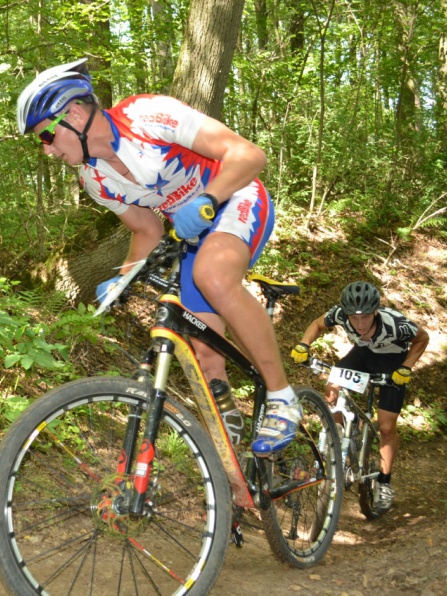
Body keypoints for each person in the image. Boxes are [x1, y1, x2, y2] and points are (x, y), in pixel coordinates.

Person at [15, 57, 300, 456]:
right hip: (191, 230)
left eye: (45, 137)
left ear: (74, 114)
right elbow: (146, 230)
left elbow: (249, 154)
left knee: (213, 276)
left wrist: (207, 198)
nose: (46, 151)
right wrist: (123, 278)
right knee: (203, 349)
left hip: (234, 195)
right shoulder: (93, 179)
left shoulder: (147, 115)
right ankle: (230, 454)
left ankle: (281, 396)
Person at [290, 281, 430, 510]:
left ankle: (384, 481)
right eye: (354, 318)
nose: (360, 323)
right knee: (331, 391)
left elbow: (422, 338)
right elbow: (317, 324)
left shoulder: (395, 324)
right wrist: (304, 344)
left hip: (392, 363)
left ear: (375, 311)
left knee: (386, 427)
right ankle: (335, 452)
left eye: (365, 317)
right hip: (361, 356)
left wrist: (407, 367)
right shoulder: (340, 314)